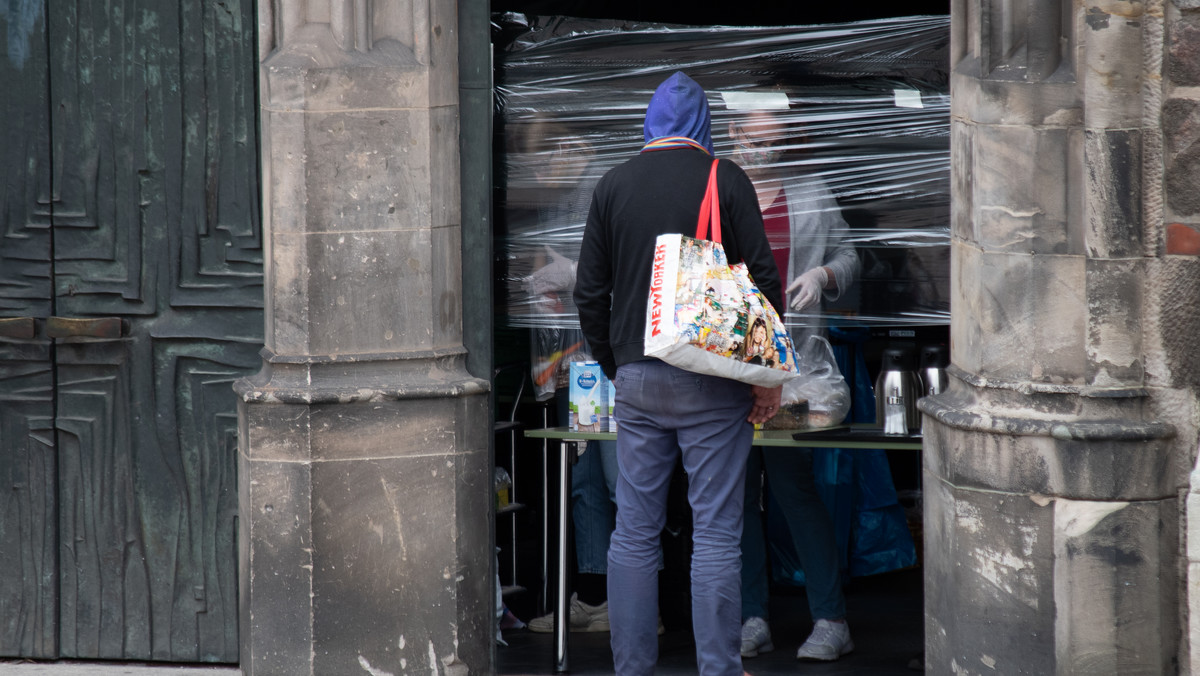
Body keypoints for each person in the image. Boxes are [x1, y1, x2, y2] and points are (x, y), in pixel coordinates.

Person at [574, 70, 783, 676]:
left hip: (638, 377)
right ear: (702, 126)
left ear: (650, 123)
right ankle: (719, 668)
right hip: (713, 382)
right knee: (716, 534)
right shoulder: (727, 179)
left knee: (634, 533)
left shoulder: (613, 184)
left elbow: (591, 292)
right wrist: (764, 379)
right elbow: (764, 285)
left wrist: (616, 365)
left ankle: (632, 667)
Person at [729, 106, 860, 662]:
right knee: (734, 499)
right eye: (754, 140)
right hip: (730, 372)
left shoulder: (808, 192)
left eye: (773, 142)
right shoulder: (716, 190)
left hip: (795, 374)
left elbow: (851, 255)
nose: (764, 151)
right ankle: (750, 617)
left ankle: (831, 620)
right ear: (734, 133)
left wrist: (822, 275)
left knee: (794, 490)